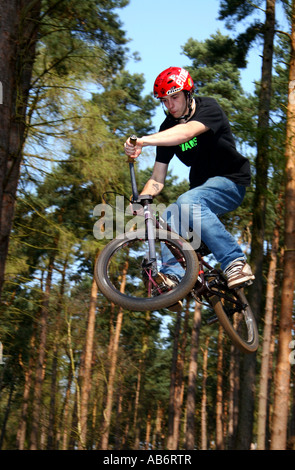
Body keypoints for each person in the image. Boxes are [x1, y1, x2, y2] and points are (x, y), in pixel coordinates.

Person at [124, 66, 254, 310]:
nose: (170, 105)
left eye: (175, 97)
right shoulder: (166, 128)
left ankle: (235, 261)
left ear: (188, 93)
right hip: (201, 190)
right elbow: (157, 178)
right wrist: (142, 199)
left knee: (186, 202)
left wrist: (143, 140)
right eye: (165, 101)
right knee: (168, 217)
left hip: (231, 181)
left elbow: (185, 133)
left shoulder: (209, 108)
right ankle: (173, 279)